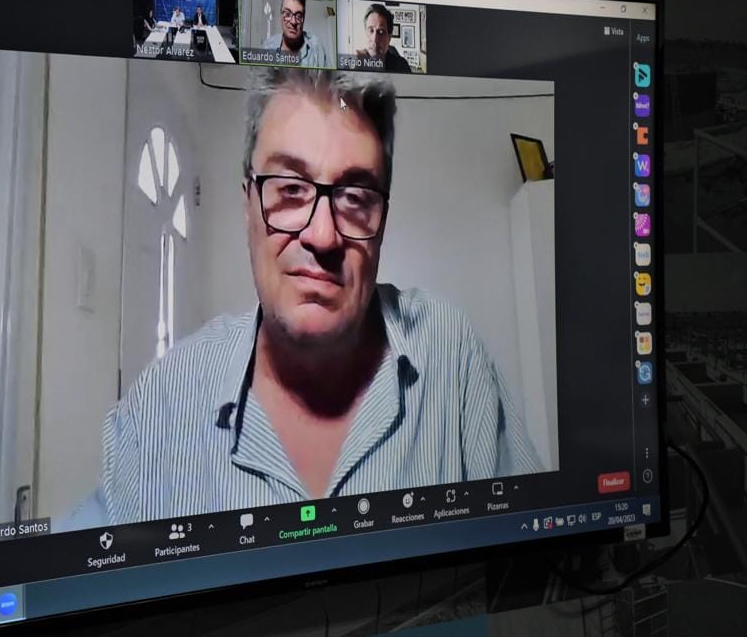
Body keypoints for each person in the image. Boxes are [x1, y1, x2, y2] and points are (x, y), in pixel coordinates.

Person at [64, 68, 542, 529]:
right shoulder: (162, 404)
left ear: (382, 220)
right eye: (291, 189)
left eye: (355, 197)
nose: (322, 235)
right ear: (248, 206)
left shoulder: (452, 359)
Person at [260, 0, 331, 68]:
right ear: (281, 15)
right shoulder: (267, 47)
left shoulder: (317, 47)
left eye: (299, 16)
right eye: (287, 14)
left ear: (303, 19)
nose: (293, 22)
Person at [355, 3, 411, 73]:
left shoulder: (401, 66)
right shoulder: (356, 62)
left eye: (381, 32)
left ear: (389, 37)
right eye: (371, 30)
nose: (374, 39)